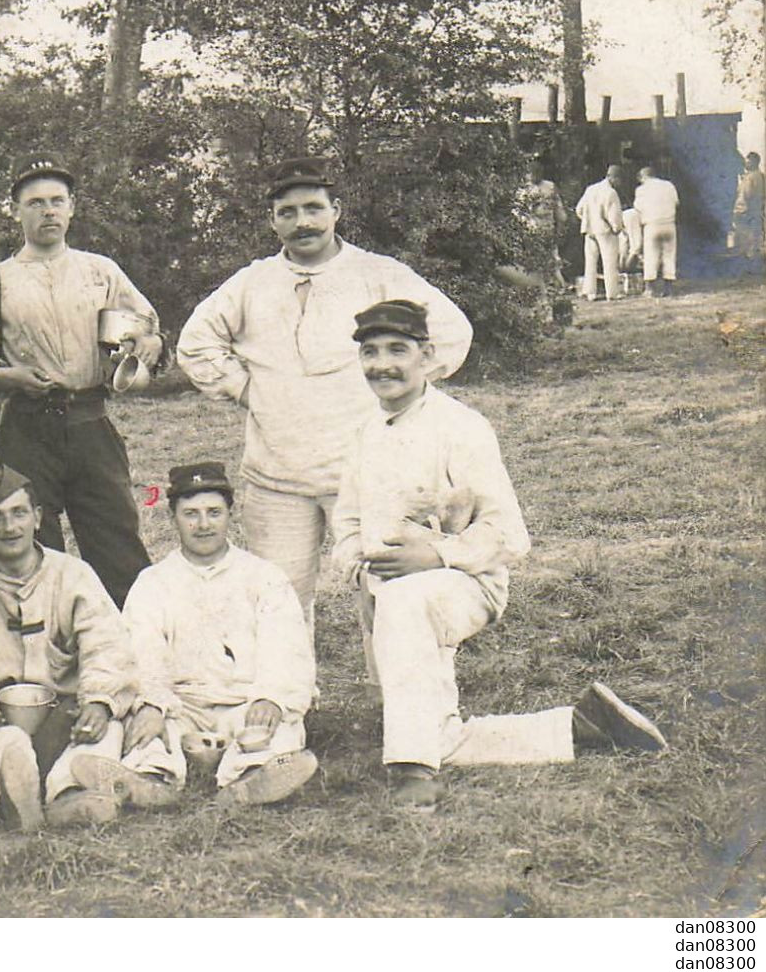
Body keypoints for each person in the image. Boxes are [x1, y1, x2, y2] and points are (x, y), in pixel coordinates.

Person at [330, 300, 667, 812]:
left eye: (397, 350)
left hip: (467, 581)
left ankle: (412, 768)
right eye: (371, 353)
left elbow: (510, 534)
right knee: (434, 726)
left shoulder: (460, 426)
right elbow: (347, 524)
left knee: (408, 622)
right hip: (387, 592)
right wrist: (361, 570)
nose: (383, 365)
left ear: (427, 355)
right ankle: (577, 727)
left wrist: (438, 555)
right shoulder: (362, 432)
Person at [175, 156, 472, 636]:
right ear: (273, 220)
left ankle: (396, 700)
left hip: (366, 471)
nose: (302, 223)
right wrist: (247, 389)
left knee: (386, 588)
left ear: (336, 210)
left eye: (313, 208)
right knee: (279, 597)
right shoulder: (253, 282)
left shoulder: (378, 274)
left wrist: (398, 393)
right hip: (277, 474)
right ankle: (289, 702)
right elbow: (195, 344)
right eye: (287, 212)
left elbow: (453, 332)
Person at [0, 153, 160, 607]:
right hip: (26, 428)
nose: (48, 211)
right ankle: (46, 652)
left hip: (91, 423)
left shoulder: (100, 271)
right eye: (35, 203)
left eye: (57, 201)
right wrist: (6, 376)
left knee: (116, 541)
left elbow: (144, 324)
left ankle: (133, 649)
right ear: (16, 211)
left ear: (71, 208)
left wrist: (149, 342)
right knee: (34, 547)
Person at [103, 462, 320, 808]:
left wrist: (271, 697)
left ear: (229, 516)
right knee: (151, 733)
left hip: (245, 702)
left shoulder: (263, 576)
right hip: (183, 705)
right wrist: (154, 702)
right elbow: (143, 651)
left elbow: (287, 647)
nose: (203, 525)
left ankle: (251, 779)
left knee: (274, 733)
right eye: (191, 514)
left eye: (213, 512)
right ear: (173, 517)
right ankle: (150, 781)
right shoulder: (154, 581)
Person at [0, 464, 152, 829]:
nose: (10, 527)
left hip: (65, 715)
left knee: (105, 729)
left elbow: (106, 645)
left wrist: (98, 702)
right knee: (6, 746)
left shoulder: (72, 574)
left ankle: (69, 796)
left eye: (19, 513)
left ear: (37, 517)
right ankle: (7, 800)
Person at [574, 165, 626, 301]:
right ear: (613, 177)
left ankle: (590, 293)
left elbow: (579, 209)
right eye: (620, 179)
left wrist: (587, 220)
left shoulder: (590, 189)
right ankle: (612, 293)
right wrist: (617, 229)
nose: (620, 183)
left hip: (589, 229)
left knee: (590, 262)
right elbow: (614, 215)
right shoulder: (611, 193)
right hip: (605, 231)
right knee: (609, 262)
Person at [516, 159, 568, 290]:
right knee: (535, 260)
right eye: (531, 173)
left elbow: (559, 210)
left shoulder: (550, 187)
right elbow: (519, 212)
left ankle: (557, 285)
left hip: (546, 227)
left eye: (536, 173)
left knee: (552, 258)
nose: (533, 176)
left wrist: (560, 227)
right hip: (531, 229)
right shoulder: (523, 189)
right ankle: (544, 286)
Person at [633, 166, 680, 298]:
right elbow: (676, 202)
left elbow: (638, 208)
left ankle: (650, 289)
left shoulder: (641, 189)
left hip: (652, 225)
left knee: (651, 256)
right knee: (669, 255)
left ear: (642, 177)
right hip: (669, 224)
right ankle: (668, 288)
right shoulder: (669, 185)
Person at [730, 152, 764, 260]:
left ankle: (747, 258)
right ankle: (751, 256)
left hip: (746, 210)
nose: (746, 163)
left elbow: (747, 194)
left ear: (754, 162)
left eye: (748, 161)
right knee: (752, 235)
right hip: (754, 209)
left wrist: (743, 210)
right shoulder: (760, 176)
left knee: (745, 235)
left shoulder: (751, 177)